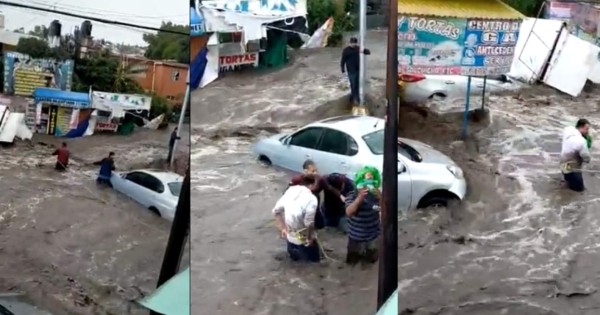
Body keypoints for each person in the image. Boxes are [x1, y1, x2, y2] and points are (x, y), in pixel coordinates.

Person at [272, 174, 320, 263]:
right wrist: (309, 238)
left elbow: (275, 211)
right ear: (312, 185)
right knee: (314, 264)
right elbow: (309, 223)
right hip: (303, 239)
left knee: (295, 262)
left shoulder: (290, 190)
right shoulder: (312, 199)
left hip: (290, 237)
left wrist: (283, 228)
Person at [289, 160, 345, 229]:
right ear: (305, 171)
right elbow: (288, 191)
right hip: (302, 206)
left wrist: (340, 195)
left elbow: (329, 188)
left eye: (316, 170)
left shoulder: (319, 179)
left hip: (315, 206)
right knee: (303, 224)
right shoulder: (297, 180)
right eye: (312, 171)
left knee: (320, 225)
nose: (315, 173)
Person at [344, 169, 381, 265]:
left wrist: (380, 198)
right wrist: (360, 198)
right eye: (364, 183)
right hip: (355, 236)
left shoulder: (376, 195)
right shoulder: (351, 196)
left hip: (373, 236)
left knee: (372, 260)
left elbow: (385, 210)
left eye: (371, 181)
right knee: (352, 261)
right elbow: (349, 212)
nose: (367, 186)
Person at [560, 118, 592, 192]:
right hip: (573, 168)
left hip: (563, 163)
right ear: (580, 127)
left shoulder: (568, 130)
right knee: (579, 189)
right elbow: (586, 157)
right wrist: (588, 160)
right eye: (586, 129)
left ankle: (564, 185)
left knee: (567, 180)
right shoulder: (581, 141)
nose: (587, 132)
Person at [340, 37, 371, 104]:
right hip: (351, 70)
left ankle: (354, 97)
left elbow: (367, 52)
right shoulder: (346, 50)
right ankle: (355, 98)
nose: (353, 44)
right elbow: (343, 60)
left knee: (357, 84)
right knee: (353, 84)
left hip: (358, 69)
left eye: (354, 43)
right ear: (350, 43)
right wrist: (342, 69)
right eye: (352, 43)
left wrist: (365, 51)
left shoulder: (358, 48)